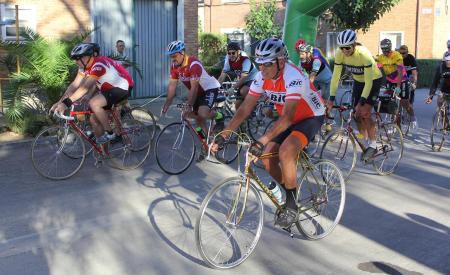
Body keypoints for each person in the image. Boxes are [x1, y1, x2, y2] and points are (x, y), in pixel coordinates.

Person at [213, 38, 325, 228]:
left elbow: (289, 117)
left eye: (267, 65)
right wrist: (224, 134)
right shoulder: (261, 78)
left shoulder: (294, 76)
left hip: (310, 116)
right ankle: (289, 191)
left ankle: (291, 206)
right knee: (266, 156)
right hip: (287, 118)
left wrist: (262, 139)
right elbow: (245, 109)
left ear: (281, 62)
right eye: (260, 64)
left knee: (286, 151)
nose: (262, 70)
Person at [51, 43, 134, 143]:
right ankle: (104, 153)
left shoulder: (98, 65)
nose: (76, 61)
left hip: (123, 87)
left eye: (79, 58)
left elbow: (84, 88)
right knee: (93, 120)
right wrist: (59, 102)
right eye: (75, 58)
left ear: (91, 56)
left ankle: (111, 134)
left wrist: (66, 104)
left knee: (94, 103)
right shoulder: (84, 67)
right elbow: (74, 85)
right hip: (109, 88)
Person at [328, 29, 383, 161]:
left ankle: (374, 144)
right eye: (342, 48)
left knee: (364, 112)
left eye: (347, 47)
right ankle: (364, 141)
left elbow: (369, 82)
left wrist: (362, 102)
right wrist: (331, 98)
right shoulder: (340, 54)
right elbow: (335, 77)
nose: (345, 51)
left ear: (354, 45)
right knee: (356, 115)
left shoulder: (364, 54)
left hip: (373, 81)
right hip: (358, 82)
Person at [161, 40, 223, 138]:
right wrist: (166, 105)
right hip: (198, 92)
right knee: (190, 116)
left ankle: (219, 116)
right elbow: (172, 87)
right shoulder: (174, 67)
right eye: (170, 57)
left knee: (202, 114)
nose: (172, 59)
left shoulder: (194, 64)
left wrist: (189, 105)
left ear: (182, 53)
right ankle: (206, 143)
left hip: (209, 89)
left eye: (174, 56)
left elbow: (194, 87)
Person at [376, 39, 417, 129]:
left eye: (387, 50)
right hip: (390, 81)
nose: (385, 52)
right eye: (383, 50)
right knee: (390, 102)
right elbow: (377, 70)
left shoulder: (397, 55)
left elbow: (400, 72)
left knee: (404, 102)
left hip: (401, 80)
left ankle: (413, 118)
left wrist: (398, 86)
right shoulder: (381, 57)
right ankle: (395, 126)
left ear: (390, 48)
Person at [217, 41, 258, 110]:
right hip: (243, 80)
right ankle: (245, 118)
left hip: (253, 78)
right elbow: (222, 75)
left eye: (233, 53)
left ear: (238, 52)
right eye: (229, 53)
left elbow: (244, 78)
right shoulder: (228, 58)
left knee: (243, 91)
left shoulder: (245, 59)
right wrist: (215, 87)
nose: (231, 55)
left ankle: (254, 107)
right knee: (237, 106)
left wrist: (233, 88)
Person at [426, 51, 450, 129]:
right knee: (440, 102)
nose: (448, 62)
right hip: (444, 88)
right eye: (447, 60)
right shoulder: (440, 67)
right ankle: (446, 123)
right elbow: (435, 82)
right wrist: (430, 96)